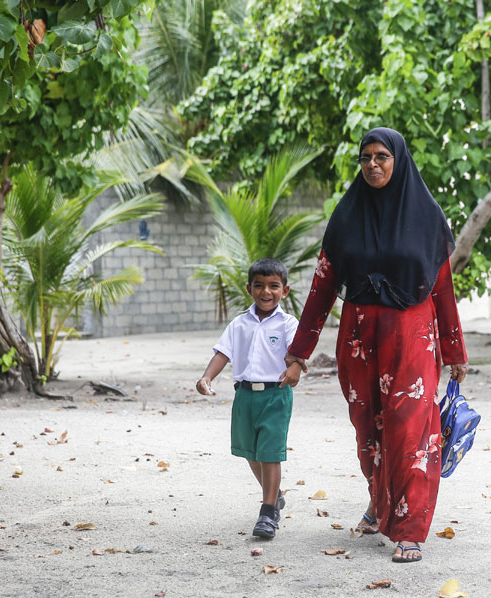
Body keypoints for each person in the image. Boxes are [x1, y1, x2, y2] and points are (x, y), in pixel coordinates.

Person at [285, 127, 468, 564]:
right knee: (370, 431)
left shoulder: (427, 217)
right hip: (359, 339)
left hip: (413, 338)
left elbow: (442, 289)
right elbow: (323, 284)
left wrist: (455, 350)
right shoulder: (346, 216)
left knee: (411, 430)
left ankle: (409, 529)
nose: (372, 165)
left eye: (382, 156)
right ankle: (380, 502)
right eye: (365, 157)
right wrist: (299, 351)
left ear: (398, 160)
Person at [195, 258, 303, 539]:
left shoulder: (289, 324)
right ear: (249, 288)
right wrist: (207, 377)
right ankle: (274, 493)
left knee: (270, 451)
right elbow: (222, 353)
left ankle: (268, 512)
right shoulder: (239, 324)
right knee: (249, 451)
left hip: (276, 395)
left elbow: (300, 352)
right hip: (244, 395)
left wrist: (296, 367)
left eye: (273, 286)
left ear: (285, 290)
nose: (266, 292)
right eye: (259, 286)